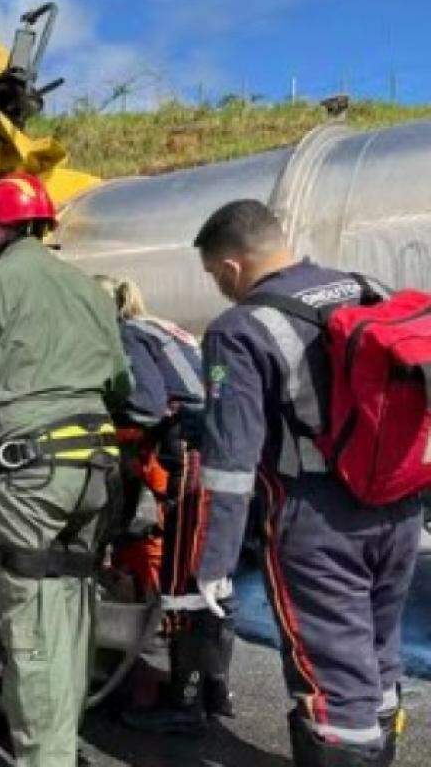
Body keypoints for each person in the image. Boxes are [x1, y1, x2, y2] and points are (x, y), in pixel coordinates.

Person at [192, 199, 421, 767]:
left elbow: (230, 462)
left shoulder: (239, 329)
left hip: (319, 523)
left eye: (214, 277)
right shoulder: (369, 288)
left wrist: (214, 565)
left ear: (230, 269)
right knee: (376, 656)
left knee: (333, 680)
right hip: (400, 505)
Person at [0, 173, 131, 767]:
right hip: (97, 469)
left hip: (31, 474)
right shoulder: (92, 290)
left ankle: (47, 760)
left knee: (31, 625)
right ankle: (63, 745)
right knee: (70, 609)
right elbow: (122, 382)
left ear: (0, 227)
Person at [95, 275, 236, 735]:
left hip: (190, 457)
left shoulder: (127, 335)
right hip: (221, 453)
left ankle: (184, 703)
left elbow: (147, 407)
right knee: (211, 578)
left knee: (183, 582)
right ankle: (213, 691)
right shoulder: (160, 326)